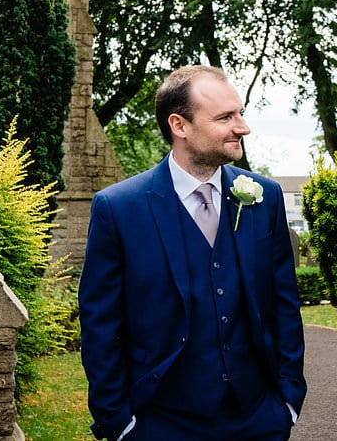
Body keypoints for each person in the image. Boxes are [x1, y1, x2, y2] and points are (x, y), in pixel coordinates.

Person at [79, 65, 307, 441]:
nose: (243, 127)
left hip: (257, 418)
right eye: (225, 118)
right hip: (159, 423)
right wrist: (119, 422)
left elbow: (284, 304)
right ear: (179, 126)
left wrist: (287, 402)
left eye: (240, 113)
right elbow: (100, 324)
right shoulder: (119, 208)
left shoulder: (263, 199)